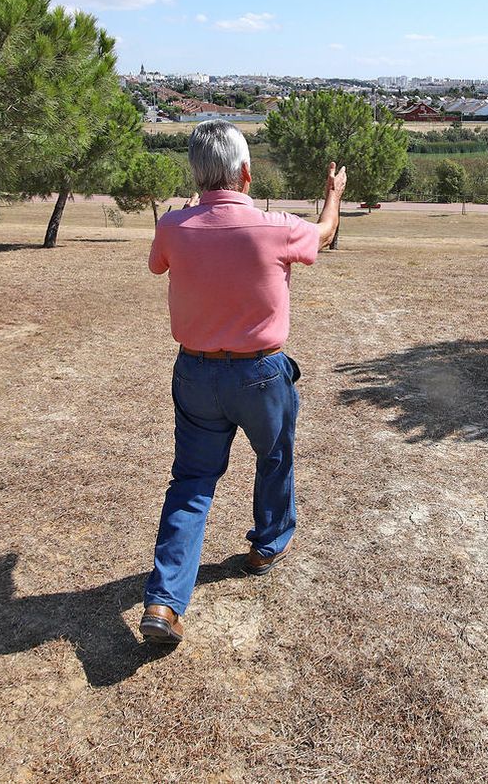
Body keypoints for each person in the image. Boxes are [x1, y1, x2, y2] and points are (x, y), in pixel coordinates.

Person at [138, 119, 346, 645]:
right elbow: (324, 234)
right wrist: (333, 195)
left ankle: (164, 604)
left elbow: (158, 266)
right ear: (247, 173)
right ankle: (266, 544)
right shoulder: (277, 226)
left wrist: (190, 211)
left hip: (195, 372)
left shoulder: (172, 226)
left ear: (197, 173)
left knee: (191, 482)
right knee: (275, 457)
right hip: (260, 373)